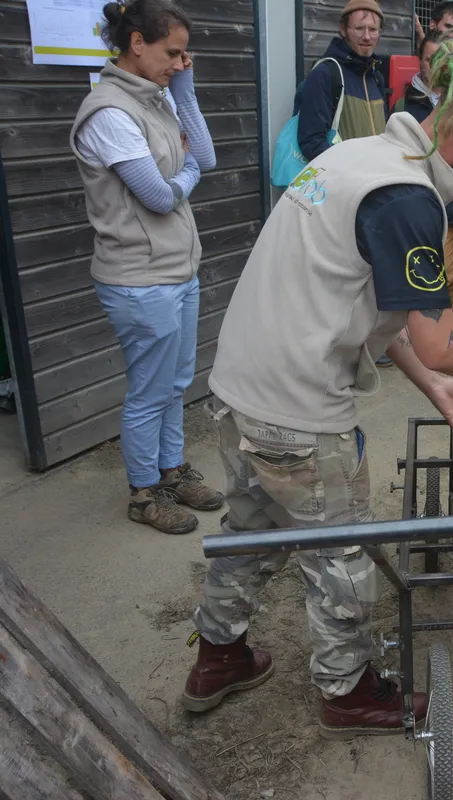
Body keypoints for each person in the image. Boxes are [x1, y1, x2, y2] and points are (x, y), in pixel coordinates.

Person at [185, 29, 453, 734]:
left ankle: (217, 655)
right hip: (299, 408)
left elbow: (377, 304)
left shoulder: (364, 152)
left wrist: (430, 386)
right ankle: (347, 693)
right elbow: (438, 337)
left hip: (242, 383)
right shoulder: (407, 198)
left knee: (251, 527)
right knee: (341, 555)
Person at [71, 0, 222, 535]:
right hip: (138, 278)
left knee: (176, 380)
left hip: (177, 269)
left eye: (184, 55)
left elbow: (203, 158)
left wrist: (185, 93)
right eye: (172, 53)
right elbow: (160, 196)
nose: (180, 63)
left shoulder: (158, 98)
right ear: (137, 43)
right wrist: (183, 184)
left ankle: (172, 470)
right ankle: (142, 492)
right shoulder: (110, 112)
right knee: (148, 390)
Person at [297, 0, 388, 164]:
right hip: (344, 184)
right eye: (359, 28)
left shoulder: (376, 78)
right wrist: (350, 168)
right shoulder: (325, 74)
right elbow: (311, 142)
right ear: (343, 29)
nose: (367, 36)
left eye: (373, 29)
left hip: (376, 181)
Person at [404, 30, 442, 121]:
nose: (434, 66)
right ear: (420, 60)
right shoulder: (405, 106)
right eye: (429, 60)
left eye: (440, 60)